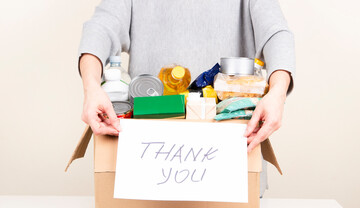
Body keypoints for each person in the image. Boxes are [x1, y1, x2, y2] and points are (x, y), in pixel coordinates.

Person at [78, 0, 295, 196]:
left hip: (232, 166)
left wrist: (277, 90)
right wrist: (91, 86)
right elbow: (101, 27)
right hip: (149, 168)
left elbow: (276, 33)